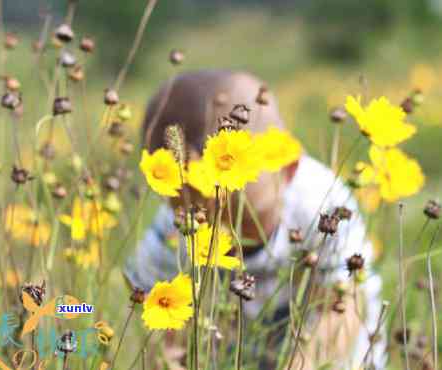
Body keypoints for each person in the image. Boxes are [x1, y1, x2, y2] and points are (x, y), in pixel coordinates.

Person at [125, 70, 385, 369]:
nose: (212, 221)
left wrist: (304, 364)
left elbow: (344, 305)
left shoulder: (321, 204)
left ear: (285, 169)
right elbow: (161, 324)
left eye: (241, 217)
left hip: (330, 354)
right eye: (190, 209)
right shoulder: (171, 234)